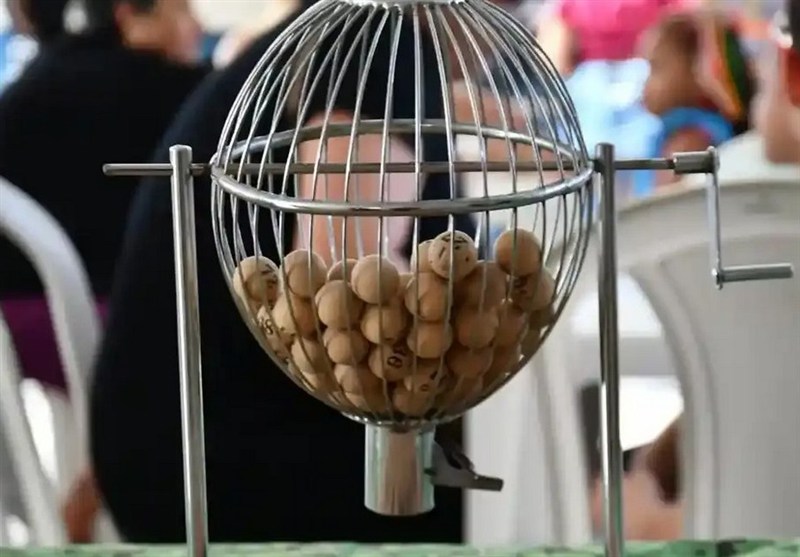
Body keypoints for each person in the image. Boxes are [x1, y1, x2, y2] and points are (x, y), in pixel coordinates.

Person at [89, 4, 476, 543]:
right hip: (230, 471)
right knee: (523, 474)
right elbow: (348, 297)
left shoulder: (323, 43)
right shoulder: (376, 46)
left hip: (167, 449)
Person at [0, 0, 207, 390]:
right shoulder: (159, 88)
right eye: (180, 11)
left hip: (16, 322)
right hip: (67, 320)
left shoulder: (49, 71)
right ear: (128, 16)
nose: (197, 26)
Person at [636, 10, 757, 192]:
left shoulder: (689, 143)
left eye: (656, 67)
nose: (646, 83)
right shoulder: (685, 132)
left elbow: (666, 202)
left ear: (698, 68)